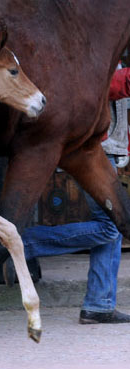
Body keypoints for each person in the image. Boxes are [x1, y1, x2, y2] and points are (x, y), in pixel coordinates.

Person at [20, 65, 130, 324]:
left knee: (110, 230)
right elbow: (106, 85)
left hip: (106, 148)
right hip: (92, 150)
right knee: (110, 228)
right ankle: (22, 244)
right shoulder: (96, 38)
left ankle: (100, 303)